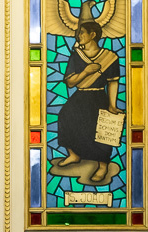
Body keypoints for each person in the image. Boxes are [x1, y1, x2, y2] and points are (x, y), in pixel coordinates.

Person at [57, 19, 121, 185]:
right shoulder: (76, 56)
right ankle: (74, 154)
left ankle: (103, 165)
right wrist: (86, 71)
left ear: (92, 35)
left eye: (81, 33)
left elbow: (112, 82)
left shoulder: (110, 57)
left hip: (99, 97)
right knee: (64, 116)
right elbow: (71, 82)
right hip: (80, 96)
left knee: (101, 128)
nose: (78, 36)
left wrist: (112, 105)